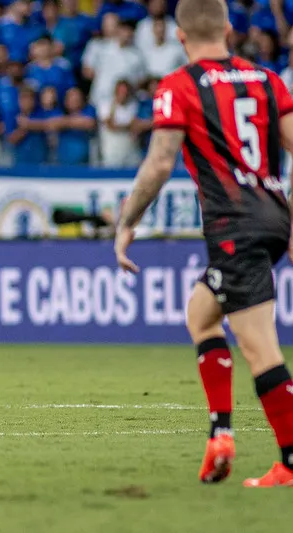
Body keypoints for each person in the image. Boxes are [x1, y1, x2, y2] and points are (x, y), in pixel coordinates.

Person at [114, 0, 293, 488]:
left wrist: (128, 221)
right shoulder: (267, 79)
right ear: (229, 28)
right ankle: (221, 435)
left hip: (234, 224)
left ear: (179, 34)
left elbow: (158, 164)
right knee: (201, 312)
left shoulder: (179, 86)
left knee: (260, 348)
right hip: (274, 216)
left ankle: (291, 462)